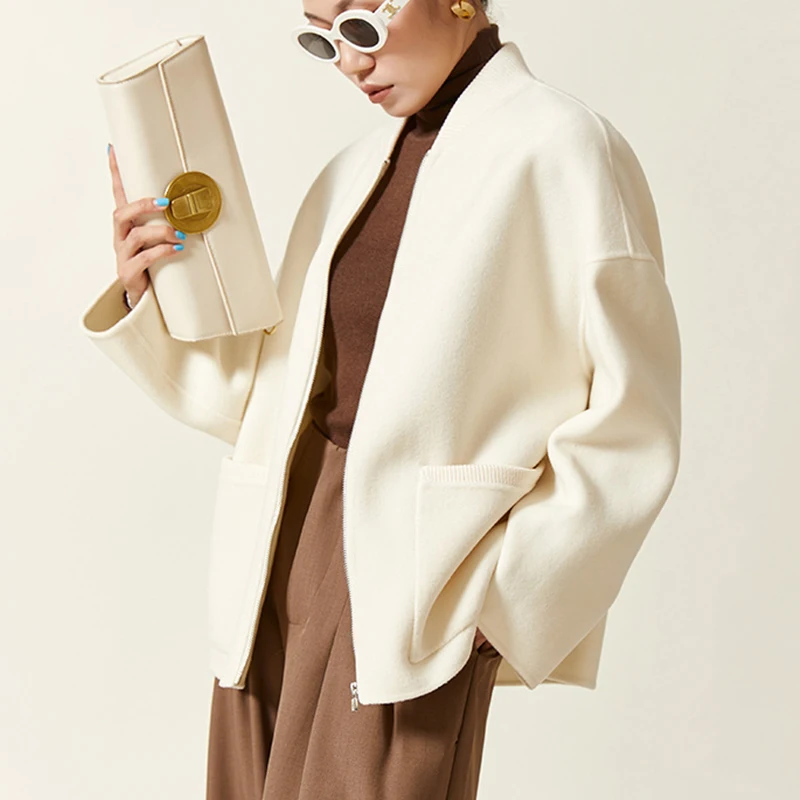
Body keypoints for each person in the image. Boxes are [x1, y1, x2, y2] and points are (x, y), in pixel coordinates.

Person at [81, 0, 682, 797]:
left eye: (361, 25)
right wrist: (149, 290)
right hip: (278, 548)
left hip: (411, 580)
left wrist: (503, 600)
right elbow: (271, 402)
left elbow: (634, 420)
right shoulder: (350, 172)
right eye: (320, 38)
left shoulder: (566, 151)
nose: (349, 62)